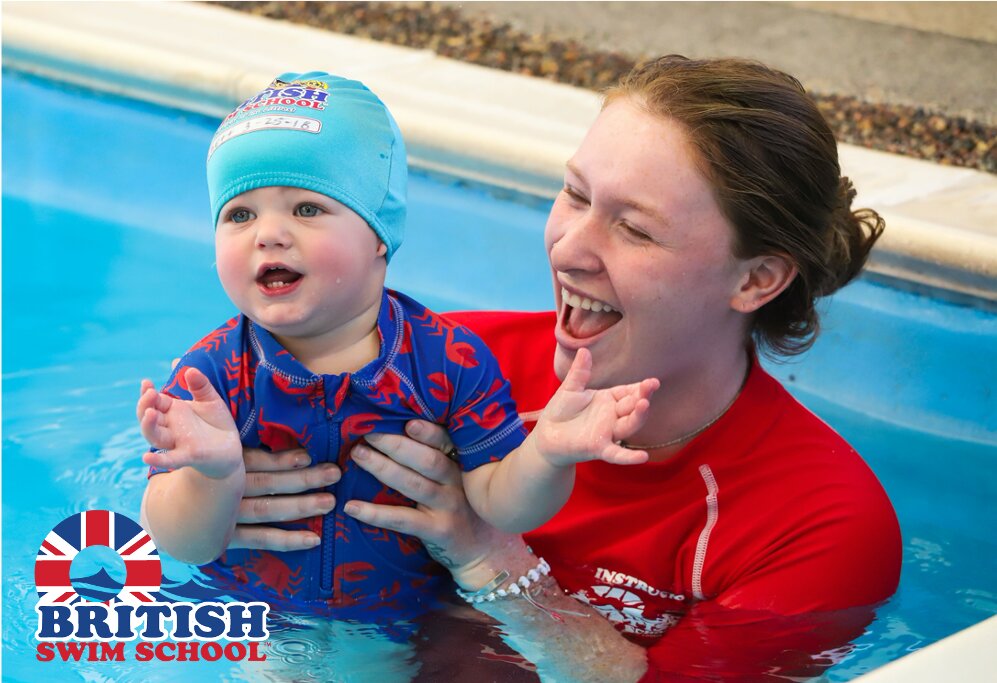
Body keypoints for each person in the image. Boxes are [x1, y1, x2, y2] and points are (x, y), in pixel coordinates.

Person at [224, 56, 903, 681]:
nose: (568, 249)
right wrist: (225, 501)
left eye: (634, 228)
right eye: (574, 195)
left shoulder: (819, 524)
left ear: (756, 279)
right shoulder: (433, 368)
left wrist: (488, 555)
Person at [136, 72, 659, 606]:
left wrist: (547, 453)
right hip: (255, 620)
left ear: (379, 238)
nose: (267, 233)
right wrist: (213, 474)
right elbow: (183, 544)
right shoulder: (213, 379)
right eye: (239, 214)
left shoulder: (448, 362)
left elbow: (501, 507)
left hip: (397, 624)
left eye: (307, 208)